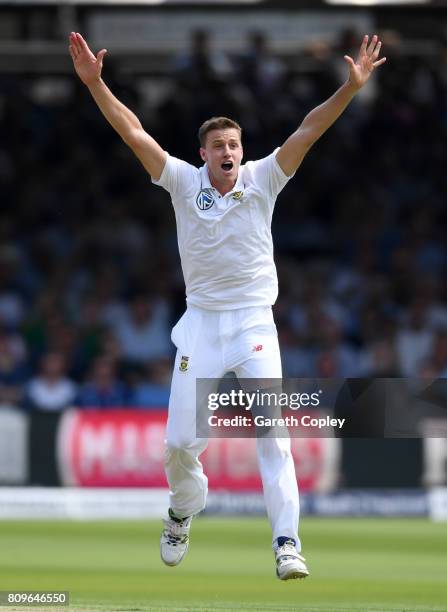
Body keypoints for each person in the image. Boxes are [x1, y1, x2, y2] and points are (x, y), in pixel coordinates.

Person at [69, 31, 386, 580]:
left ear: (242, 151)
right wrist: (96, 85)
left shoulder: (264, 177)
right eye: (218, 146)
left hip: (254, 323)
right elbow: (132, 130)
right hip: (200, 327)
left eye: (234, 145)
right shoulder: (180, 181)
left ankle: (287, 542)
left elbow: (308, 130)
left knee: (273, 430)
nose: (228, 153)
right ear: (204, 154)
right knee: (178, 447)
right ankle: (183, 509)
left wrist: (350, 90)